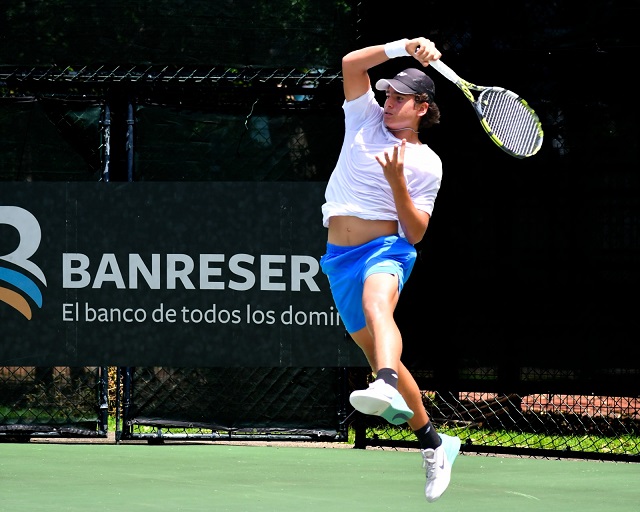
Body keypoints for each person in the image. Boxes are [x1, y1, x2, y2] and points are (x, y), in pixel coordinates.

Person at [319, 37, 461, 502]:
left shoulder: (426, 162)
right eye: (387, 95)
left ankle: (381, 383)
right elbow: (350, 61)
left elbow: (416, 231)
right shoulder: (362, 117)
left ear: (422, 107)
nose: (389, 102)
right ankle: (435, 445)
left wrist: (398, 182)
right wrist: (404, 46)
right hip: (339, 259)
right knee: (389, 356)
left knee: (377, 306)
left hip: (387, 248)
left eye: (400, 98)